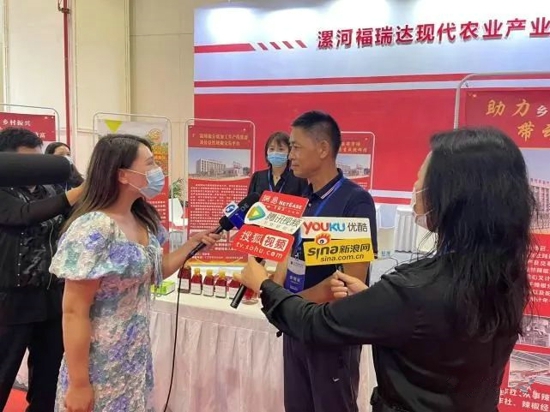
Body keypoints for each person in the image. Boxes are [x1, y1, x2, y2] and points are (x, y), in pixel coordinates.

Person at [236, 127, 534, 412]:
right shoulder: (504, 276)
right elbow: (433, 335)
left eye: (421, 179)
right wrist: (376, 300)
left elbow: (316, 324)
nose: (414, 188)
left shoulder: (413, 285)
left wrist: (264, 285)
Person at [49, 134, 220, 412]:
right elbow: (74, 311)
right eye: (150, 164)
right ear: (122, 175)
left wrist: (191, 245)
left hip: (133, 357)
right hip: (99, 363)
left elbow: (154, 270)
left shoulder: (141, 219)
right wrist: (79, 383)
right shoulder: (93, 229)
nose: (158, 172)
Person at [268, 111, 378, 412]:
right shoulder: (303, 197)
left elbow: (350, 284)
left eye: (296, 147)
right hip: (296, 324)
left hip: (331, 334)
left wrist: (290, 303)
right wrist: (277, 293)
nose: (290, 155)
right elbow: (290, 253)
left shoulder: (354, 201)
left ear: (323, 149)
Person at [0, 128, 83, 412]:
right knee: (3, 371)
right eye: (28, 162)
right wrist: (74, 194)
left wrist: (73, 175)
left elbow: (79, 211)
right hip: (10, 300)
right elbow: (23, 214)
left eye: (40, 160)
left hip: (51, 296)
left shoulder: (51, 188)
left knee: (50, 376)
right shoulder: (3, 191)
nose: (36, 168)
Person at [248, 131, 308, 196]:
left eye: (281, 149)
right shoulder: (258, 177)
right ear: (267, 152)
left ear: (289, 152)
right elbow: (250, 201)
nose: (275, 152)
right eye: (272, 149)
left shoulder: (299, 179)